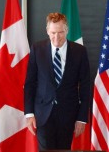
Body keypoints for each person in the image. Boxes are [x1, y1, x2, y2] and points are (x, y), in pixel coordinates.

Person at [24, 12, 91, 150]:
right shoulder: (37, 49)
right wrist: (29, 113)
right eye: (53, 32)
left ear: (67, 30)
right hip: (42, 114)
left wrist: (82, 118)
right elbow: (30, 83)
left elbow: (85, 86)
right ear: (47, 31)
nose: (56, 37)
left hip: (68, 114)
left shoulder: (80, 51)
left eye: (60, 32)